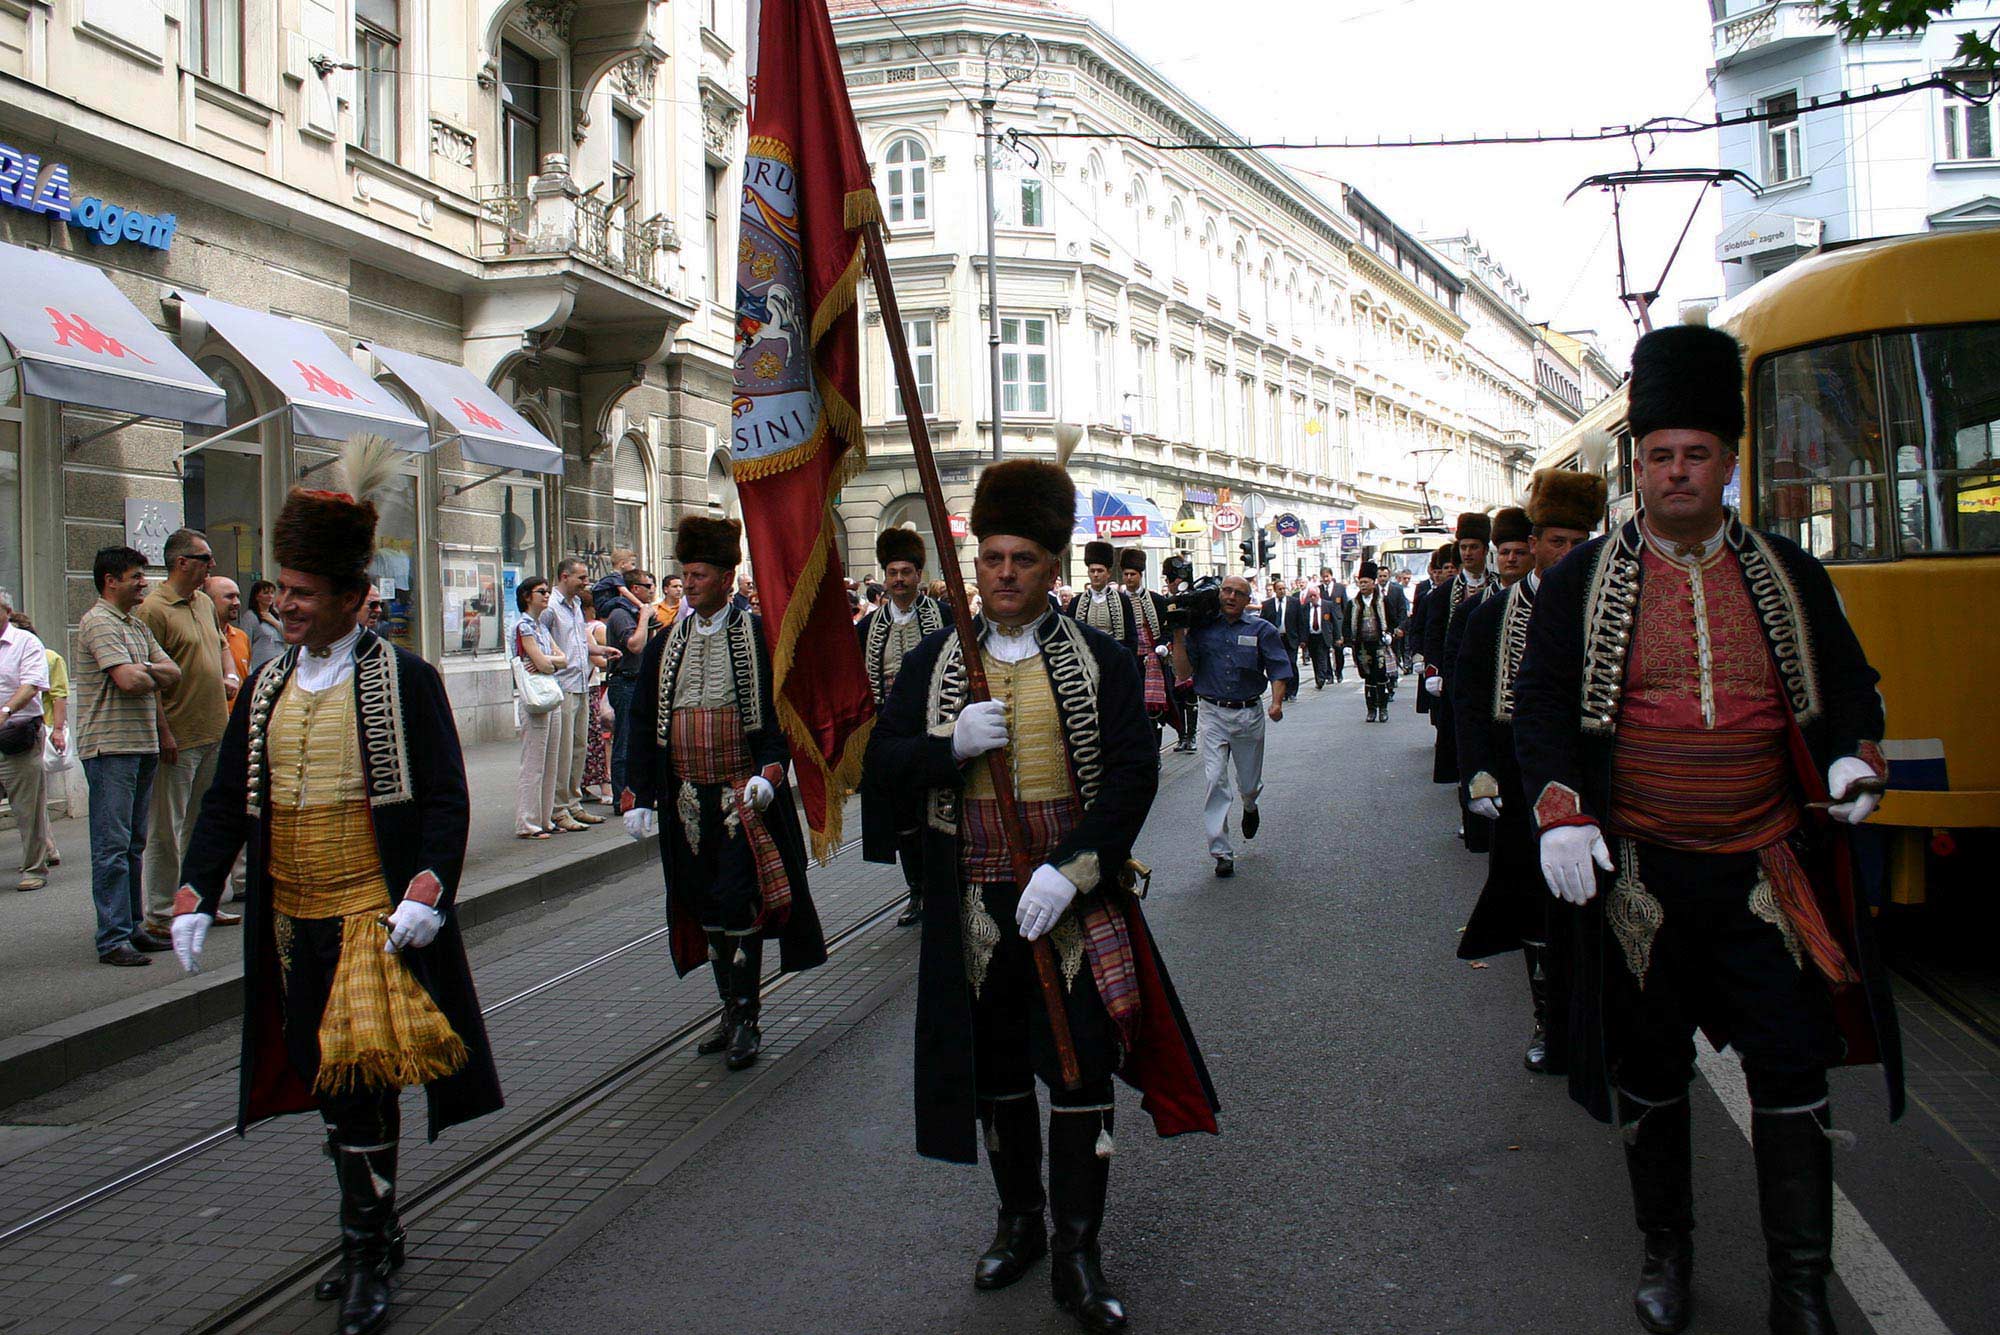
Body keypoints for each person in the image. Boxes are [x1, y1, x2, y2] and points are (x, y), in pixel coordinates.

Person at [1515, 323, 1902, 1335]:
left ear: (1728, 464)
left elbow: (1849, 684)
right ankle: (1665, 1254)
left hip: (1763, 869)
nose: (1674, 473)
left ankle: (1801, 1288)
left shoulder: (1784, 570)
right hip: (1639, 873)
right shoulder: (1577, 580)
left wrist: (1855, 750)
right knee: (1649, 1067)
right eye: (1657, 457)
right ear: (1630, 467)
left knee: (1790, 1062)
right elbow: (1544, 705)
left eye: (1694, 456)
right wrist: (1558, 808)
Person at [863, 459, 1217, 1333]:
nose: (1006, 573)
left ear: (1054, 567)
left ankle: (1078, 1248)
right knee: (993, 1071)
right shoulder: (936, 664)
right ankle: (1018, 1220)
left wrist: (1075, 867)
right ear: (973, 565)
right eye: (991, 557)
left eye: (1023, 557)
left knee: (1081, 1065)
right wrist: (945, 745)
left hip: (1072, 897)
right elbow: (880, 766)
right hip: (973, 900)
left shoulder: (1097, 659)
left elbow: (1133, 775)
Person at [170, 454, 502, 1335]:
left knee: (361, 1086)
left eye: (305, 593)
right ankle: (377, 1221)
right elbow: (225, 801)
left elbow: (445, 799)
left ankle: (363, 1253)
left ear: (357, 596)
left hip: (370, 919)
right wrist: (197, 888)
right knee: (327, 1082)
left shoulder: (405, 679)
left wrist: (430, 888)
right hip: (288, 925)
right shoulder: (269, 685)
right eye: (282, 590)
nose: (285, 606)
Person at [623, 517, 825, 1073]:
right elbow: (642, 721)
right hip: (687, 794)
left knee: (739, 898)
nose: (688, 583)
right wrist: (638, 791)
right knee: (703, 899)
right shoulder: (667, 642)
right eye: (685, 574)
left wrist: (771, 768)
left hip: (743, 792)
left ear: (727, 576)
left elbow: (786, 711)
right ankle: (727, 1009)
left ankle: (747, 1013)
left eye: (699, 574)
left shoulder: (760, 636)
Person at [1454, 482, 1603, 1076]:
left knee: (1598, 905)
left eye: (1579, 542)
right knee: (1535, 908)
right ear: (1534, 543)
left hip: (1592, 777)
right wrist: (1478, 775)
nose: (1567, 552)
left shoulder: (1609, 603)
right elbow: (1468, 701)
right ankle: (1552, 1024)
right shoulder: (1491, 614)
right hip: (1518, 783)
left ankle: (1603, 1024)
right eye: (1556, 541)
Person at [76, 547, 183, 964]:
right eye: (137, 576)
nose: (145, 583)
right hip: (109, 747)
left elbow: (173, 673)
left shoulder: (135, 625)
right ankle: (112, 938)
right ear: (111, 581)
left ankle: (132, 926)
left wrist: (148, 672)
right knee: (111, 845)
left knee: (133, 844)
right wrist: (148, 672)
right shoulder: (98, 621)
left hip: (141, 744)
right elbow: (128, 680)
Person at [137, 528, 239, 937]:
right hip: (177, 738)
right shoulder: (153, 609)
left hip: (214, 730)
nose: (211, 565)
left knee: (206, 824)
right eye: (205, 558)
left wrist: (230, 672)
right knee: (166, 829)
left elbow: (220, 645)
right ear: (182, 562)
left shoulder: (200, 601)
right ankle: (161, 913)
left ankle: (201, 902)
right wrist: (163, 733)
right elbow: (149, 679)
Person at [857, 526, 947, 928]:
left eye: (905, 572)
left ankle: (946, 887)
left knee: (940, 810)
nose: (898, 580)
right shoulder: (867, 628)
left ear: (918, 575)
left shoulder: (945, 618)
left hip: (937, 728)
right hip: (893, 736)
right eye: (892, 572)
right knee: (904, 818)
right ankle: (918, 890)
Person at [1176, 574, 1294, 878]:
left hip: (1248, 714)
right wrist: (1177, 632)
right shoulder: (1202, 630)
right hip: (1212, 712)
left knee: (1249, 783)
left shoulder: (1262, 630)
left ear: (1247, 600)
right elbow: (1182, 672)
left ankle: (1250, 805)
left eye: (1238, 593)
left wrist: (1277, 703)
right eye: (1226, 590)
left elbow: (1279, 668)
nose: (1230, 596)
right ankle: (1221, 851)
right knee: (1215, 780)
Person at [541, 558, 608, 832]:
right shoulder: (550, 608)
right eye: (581, 577)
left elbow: (579, 642)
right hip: (562, 685)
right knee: (564, 750)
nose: (585, 582)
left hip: (583, 682)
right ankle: (558, 808)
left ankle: (573, 802)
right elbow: (538, 641)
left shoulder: (577, 605)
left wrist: (601, 652)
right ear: (564, 576)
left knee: (579, 747)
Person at [5, 607, 69, 873]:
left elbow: (52, 691)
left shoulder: (37, 650)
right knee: (32, 800)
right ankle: (45, 850)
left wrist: (57, 729)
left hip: (22, 733)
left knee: (31, 802)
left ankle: (39, 860)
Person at [0, 589, 53, 892]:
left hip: (17, 735)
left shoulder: (26, 643)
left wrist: (5, 711)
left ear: (6, 610)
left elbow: (32, 684)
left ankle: (35, 868)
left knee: (28, 809)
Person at [512, 577, 566, 838]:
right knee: (534, 761)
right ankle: (528, 822)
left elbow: (563, 659)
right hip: (535, 694)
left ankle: (545, 819)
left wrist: (549, 661)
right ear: (526, 596)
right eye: (541, 592)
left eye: (547, 591)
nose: (546, 596)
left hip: (551, 692)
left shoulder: (541, 627)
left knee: (550, 760)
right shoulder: (523, 625)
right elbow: (543, 664)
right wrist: (550, 662)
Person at [601, 568, 658, 805]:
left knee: (641, 741)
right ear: (634, 589)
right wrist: (644, 618)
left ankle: (639, 793)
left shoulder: (634, 613)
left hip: (639, 681)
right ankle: (622, 798)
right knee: (624, 743)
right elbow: (634, 645)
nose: (652, 591)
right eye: (648, 586)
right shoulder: (621, 614)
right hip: (625, 682)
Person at [1116, 549, 1175, 746]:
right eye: (1126, 574)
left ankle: (1155, 750)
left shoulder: (1156, 599)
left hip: (1152, 658)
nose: (1129, 578)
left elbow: (1167, 627)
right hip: (1129, 659)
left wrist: (1161, 647)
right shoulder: (1117, 601)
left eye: (1133, 574)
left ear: (1140, 575)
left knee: (1153, 707)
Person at [1065, 541, 1138, 653]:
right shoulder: (1076, 601)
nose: (1095, 575)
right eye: (1092, 571)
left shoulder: (1122, 600)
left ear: (1108, 573)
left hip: (1114, 659)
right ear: (1088, 573)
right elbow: (1069, 634)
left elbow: (1131, 636)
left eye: (1100, 571)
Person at [1345, 562, 1394, 723]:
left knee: (1380, 675)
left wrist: (1390, 633)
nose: (1363, 585)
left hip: (1379, 644)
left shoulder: (1382, 601)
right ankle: (1371, 710)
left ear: (1373, 583)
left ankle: (1383, 708)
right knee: (1367, 676)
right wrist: (1346, 642)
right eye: (1361, 582)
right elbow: (1346, 624)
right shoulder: (1353, 603)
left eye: (1366, 582)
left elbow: (1392, 619)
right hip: (1361, 645)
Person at [581, 592, 613, 804]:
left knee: (589, 739)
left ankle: (581, 786)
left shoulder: (580, 628)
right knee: (600, 738)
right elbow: (599, 660)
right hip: (593, 686)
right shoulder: (594, 628)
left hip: (585, 685)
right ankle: (606, 786)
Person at [207, 576, 251, 707]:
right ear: (208, 602)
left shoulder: (241, 636)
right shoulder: (198, 638)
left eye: (237, 596)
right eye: (229, 597)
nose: (237, 602)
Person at [1311, 566, 1349, 683]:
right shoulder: (1319, 589)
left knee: (1338, 649)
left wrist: (1345, 624)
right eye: (1323, 577)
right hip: (1325, 623)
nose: (1325, 579)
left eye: (1327, 576)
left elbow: (1345, 606)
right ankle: (1329, 675)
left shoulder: (1340, 588)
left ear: (1331, 576)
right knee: (1325, 649)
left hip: (1338, 623)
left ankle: (1339, 671)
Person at [1299, 586, 1337, 691]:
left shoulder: (1327, 605)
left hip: (1323, 635)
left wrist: (1337, 636)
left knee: (1322, 657)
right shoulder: (1305, 608)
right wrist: (1302, 640)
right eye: (1310, 596)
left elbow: (1334, 622)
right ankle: (1318, 678)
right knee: (1314, 659)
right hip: (1311, 637)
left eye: (1314, 595)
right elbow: (1302, 624)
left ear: (1318, 594)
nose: (1312, 598)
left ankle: (1321, 678)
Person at [244, 579, 286, 673]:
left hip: (279, 663)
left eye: (272, 593)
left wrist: (274, 622)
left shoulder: (277, 614)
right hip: (260, 665)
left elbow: (287, 635)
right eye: (266, 593)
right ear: (257, 596)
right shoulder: (251, 616)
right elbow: (246, 642)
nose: (270, 596)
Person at [1385, 569, 1412, 675]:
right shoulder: (1378, 590)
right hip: (1390, 623)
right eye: (1404, 578)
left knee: (1406, 645)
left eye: (1408, 578)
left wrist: (1401, 625)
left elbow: (1402, 608)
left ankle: (1406, 665)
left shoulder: (1400, 589)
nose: (1406, 580)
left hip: (1406, 620)